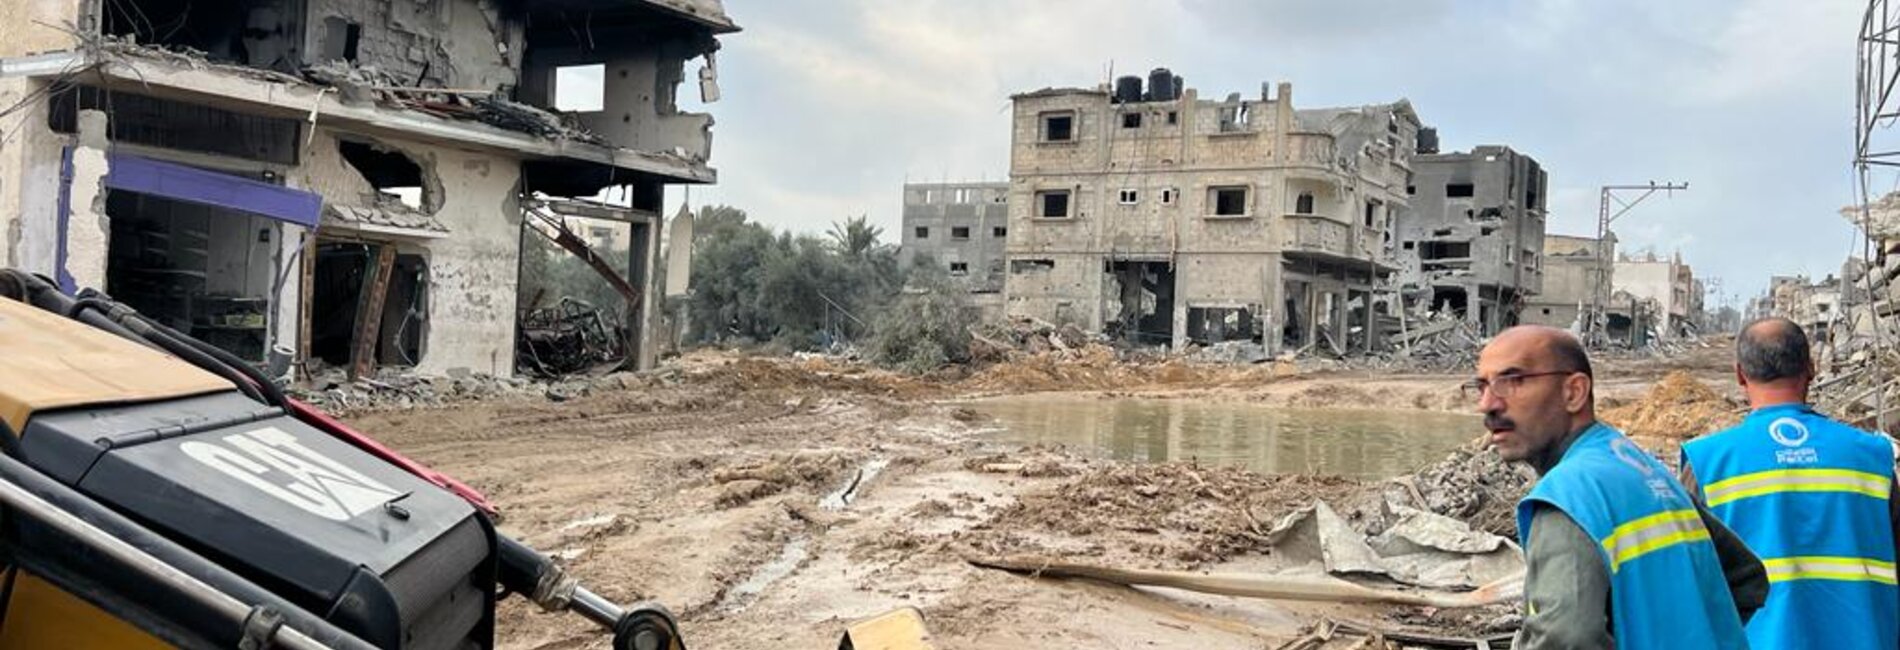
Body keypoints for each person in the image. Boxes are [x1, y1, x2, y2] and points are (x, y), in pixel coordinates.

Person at [1471, 325, 1765, 649]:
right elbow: (1745, 577)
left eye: (1513, 381)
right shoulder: (1638, 466)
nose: (1488, 404)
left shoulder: (1568, 496)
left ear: (1574, 392)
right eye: (1481, 386)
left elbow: (1566, 639)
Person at [1679, 318, 1899, 649]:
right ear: (1810, 369)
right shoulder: (1873, 457)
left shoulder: (1707, 463)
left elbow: (1683, 586)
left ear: (1740, 374)